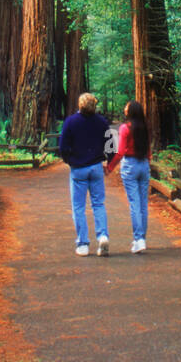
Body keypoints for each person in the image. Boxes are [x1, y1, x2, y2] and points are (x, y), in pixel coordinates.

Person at [58, 93, 112, 257]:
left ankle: (83, 244)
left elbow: (62, 146)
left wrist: (69, 160)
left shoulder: (71, 122)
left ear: (80, 104)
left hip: (78, 168)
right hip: (96, 167)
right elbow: (111, 145)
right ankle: (103, 236)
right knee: (98, 204)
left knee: (79, 207)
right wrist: (107, 161)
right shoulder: (102, 122)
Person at [105, 99, 151, 253]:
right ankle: (142, 238)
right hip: (144, 164)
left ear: (130, 111)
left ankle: (138, 239)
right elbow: (149, 150)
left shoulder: (125, 128)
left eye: (127, 107)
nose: (124, 108)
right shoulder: (145, 127)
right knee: (143, 204)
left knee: (134, 204)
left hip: (130, 165)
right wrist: (148, 164)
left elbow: (121, 151)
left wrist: (110, 167)